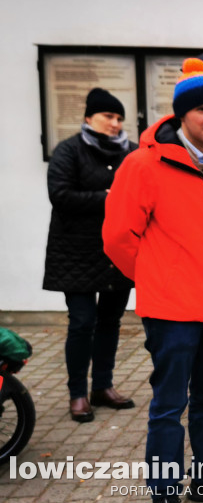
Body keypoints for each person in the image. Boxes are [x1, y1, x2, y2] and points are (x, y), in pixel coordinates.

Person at [103, 58, 203, 503]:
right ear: (181, 114)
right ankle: (165, 494)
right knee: (168, 409)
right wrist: (159, 278)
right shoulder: (143, 165)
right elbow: (117, 238)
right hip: (171, 313)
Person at [44, 88, 137, 423]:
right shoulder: (69, 150)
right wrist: (108, 197)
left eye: (119, 118)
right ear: (89, 118)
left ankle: (102, 386)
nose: (115, 123)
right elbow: (60, 194)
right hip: (76, 253)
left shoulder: (132, 152)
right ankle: (77, 394)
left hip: (117, 251)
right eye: (108, 116)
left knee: (110, 320)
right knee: (83, 322)